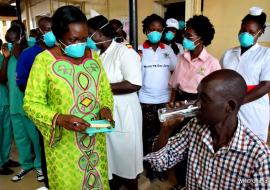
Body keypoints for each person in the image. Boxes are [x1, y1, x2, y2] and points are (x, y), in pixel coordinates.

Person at [23, 6, 113, 190]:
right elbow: (31, 102)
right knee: (68, 183)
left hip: (94, 140)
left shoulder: (93, 58)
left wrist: (105, 109)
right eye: (73, 39)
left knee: (95, 180)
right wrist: (60, 119)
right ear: (58, 37)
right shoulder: (44, 61)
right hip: (64, 145)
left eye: (83, 39)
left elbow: (105, 92)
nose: (80, 44)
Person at [145, 69, 270, 189]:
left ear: (230, 106)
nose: (195, 104)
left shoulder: (258, 156)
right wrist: (166, 130)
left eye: (204, 99)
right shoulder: (195, 127)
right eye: (197, 96)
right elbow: (159, 163)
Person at [87, 15, 143, 190]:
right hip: (104, 112)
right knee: (108, 156)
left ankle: (130, 184)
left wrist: (101, 88)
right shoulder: (97, 54)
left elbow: (134, 83)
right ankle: (113, 183)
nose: (86, 39)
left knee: (126, 158)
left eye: (89, 34)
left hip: (124, 112)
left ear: (99, 33)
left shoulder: (124, 52)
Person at [1, 25, 43, 182]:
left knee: (35, 138)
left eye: (13, 40)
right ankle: (26, 165)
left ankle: (39, 165)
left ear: (22, 37)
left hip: (29, 105)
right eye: (9, 41)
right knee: (20, 138)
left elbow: (34, 75)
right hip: (14, 105)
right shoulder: (9, 56)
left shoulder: (33, 51)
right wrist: (7, 57)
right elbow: (3, 79)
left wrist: (18, 54)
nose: (12, 44)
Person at [221, 7, 270, 142]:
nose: (245, 34)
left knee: (252, 150)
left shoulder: (266, 54)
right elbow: (220, 79)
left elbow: (266, 86)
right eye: (243, 30)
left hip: (253, 112)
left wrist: (237, 102)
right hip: (229, 111)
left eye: (251, 32)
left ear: (260, 33)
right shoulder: (229, 53)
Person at [138, 13, 178, 181]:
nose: (156, 32)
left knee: (164, 135)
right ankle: (150, 167)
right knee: (147, 135)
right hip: (145, 99)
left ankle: (160, 166)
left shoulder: (168, 50)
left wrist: (173, 98)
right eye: (152, 29)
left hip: (164, 99)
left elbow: (176, 71)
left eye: (159, 30)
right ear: (146, 30)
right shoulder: (139, 49)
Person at [16, 16, 54, 187]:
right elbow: (21, 82)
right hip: (43, 109)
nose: (50, 32)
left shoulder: (62, 51)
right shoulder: (29, 55)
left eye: (52, 28)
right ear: (39, 31)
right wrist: (40, 94)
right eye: (46, 29)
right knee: (45, 146)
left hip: (63, 109)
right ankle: (48, 181)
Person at [169, 15, 220, 102]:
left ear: (201, 39)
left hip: (197, 103)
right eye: (185, 34)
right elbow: (174, 88)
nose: (184, 38)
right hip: (178, 101)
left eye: (189, 36)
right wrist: (170, 106)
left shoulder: (212, 63)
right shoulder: (181, 58)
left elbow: (214, 94)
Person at [0, 39, 20, 175]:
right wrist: (6, 60)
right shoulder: (4, 58)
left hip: (4, 99)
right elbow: (1, 78)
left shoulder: (2, 57)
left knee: (7, 133)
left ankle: (5, 159)